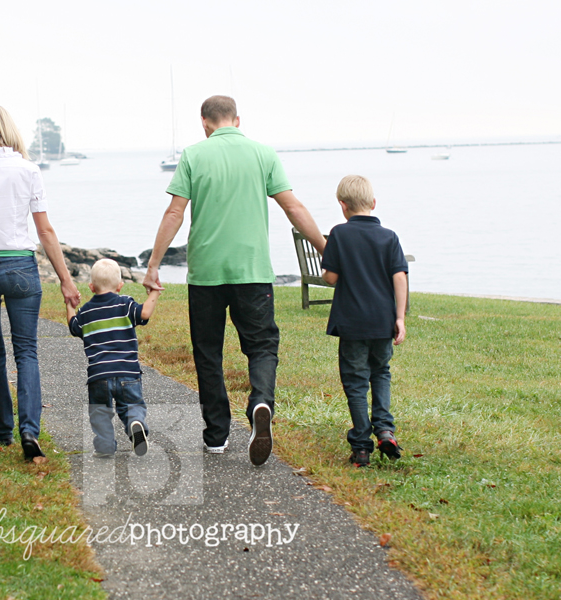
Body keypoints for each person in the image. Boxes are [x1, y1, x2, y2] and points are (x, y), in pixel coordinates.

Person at [143, 95, 326, 466]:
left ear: (204, 122)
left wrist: (154, 265)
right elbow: (292, 206)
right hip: (252, 271)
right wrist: (326, 248)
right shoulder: (263, 154)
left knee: (207, 351)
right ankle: (261, 402)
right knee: (262, 346)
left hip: (206, 273)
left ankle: (216, 435)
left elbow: (175, 212)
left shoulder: (194, 155)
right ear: (237, 120)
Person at [0, 105, 80, 462]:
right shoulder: (29, 169)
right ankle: (29, 431)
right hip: (20, 266)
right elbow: (45, 230)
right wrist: (66, 281)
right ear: (10, 130)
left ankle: (4, 431)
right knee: (26, 351)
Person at [320, 175, 408, 467]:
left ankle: (361, 447)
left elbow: (330, 277)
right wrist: (399, 318)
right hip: (383, 322)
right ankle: (384, 429)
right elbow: (399, 277)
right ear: (373, 202)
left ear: (342, 205)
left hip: (352, 323)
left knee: (356, 382)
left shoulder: (339, 234)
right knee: (381, 372)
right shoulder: (389, 237)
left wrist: (331, 265)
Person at [68, 259, 161, 458]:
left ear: (91, 287)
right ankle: (135, 422)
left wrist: (70, 305)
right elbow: (144, 313)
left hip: (99, 375)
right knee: (132, 405)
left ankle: (104, 446)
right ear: (120, 285)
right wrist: (154, 292)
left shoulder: (85, 311)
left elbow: (74, 327)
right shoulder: (125, 304)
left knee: (100, 413)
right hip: (128, 372)